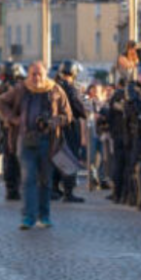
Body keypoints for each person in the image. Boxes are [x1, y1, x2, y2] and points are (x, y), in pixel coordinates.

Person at [0, 62, 73, 230]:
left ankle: (44, 215)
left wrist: (53, 122)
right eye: (33, 74)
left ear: (45, 74)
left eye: (39, 74)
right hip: (25, 140)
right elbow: (1, 101)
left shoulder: (55, 89)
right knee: (28, 179)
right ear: (28, 74)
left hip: (48, 142)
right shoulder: (21, 89)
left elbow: (67, 115)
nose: (36, 78)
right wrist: (12, 119)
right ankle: (28, 217)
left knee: (45, 180)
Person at [54, 61, 88, 204]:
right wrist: (85, 109)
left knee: (58, 157)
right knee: (70, 157)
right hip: (69, 126)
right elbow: (80, 108)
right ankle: (68, 192)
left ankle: (54, 189)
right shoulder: (70, 88)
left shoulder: (55, 86)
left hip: (57, 127)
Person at [0, 63, 27, 201]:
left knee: (10, 157)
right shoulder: (11, 88)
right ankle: (13, 189)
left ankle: (12, 188)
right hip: (11, 127)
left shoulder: (2, 86)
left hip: (6, 126)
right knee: (12, 158)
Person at [124, 65, 141, 210]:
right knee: (137, 166)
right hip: (136, 134)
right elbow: (133, 113)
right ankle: (136, 197)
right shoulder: (132, 91)